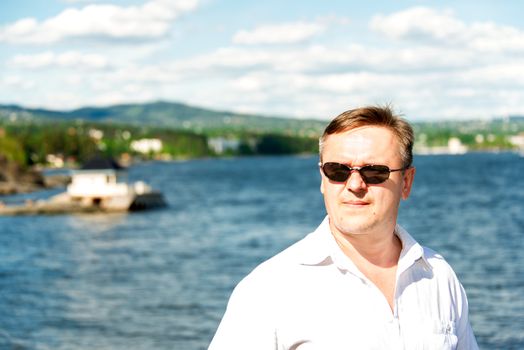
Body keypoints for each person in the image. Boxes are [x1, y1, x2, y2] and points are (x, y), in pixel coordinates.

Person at [209, 105, 478, 350]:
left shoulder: (439, 276)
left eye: (375, 172)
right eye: (338, 171)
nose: (355, 184)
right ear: (323, 179)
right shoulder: (269, 288)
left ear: (406, 182)